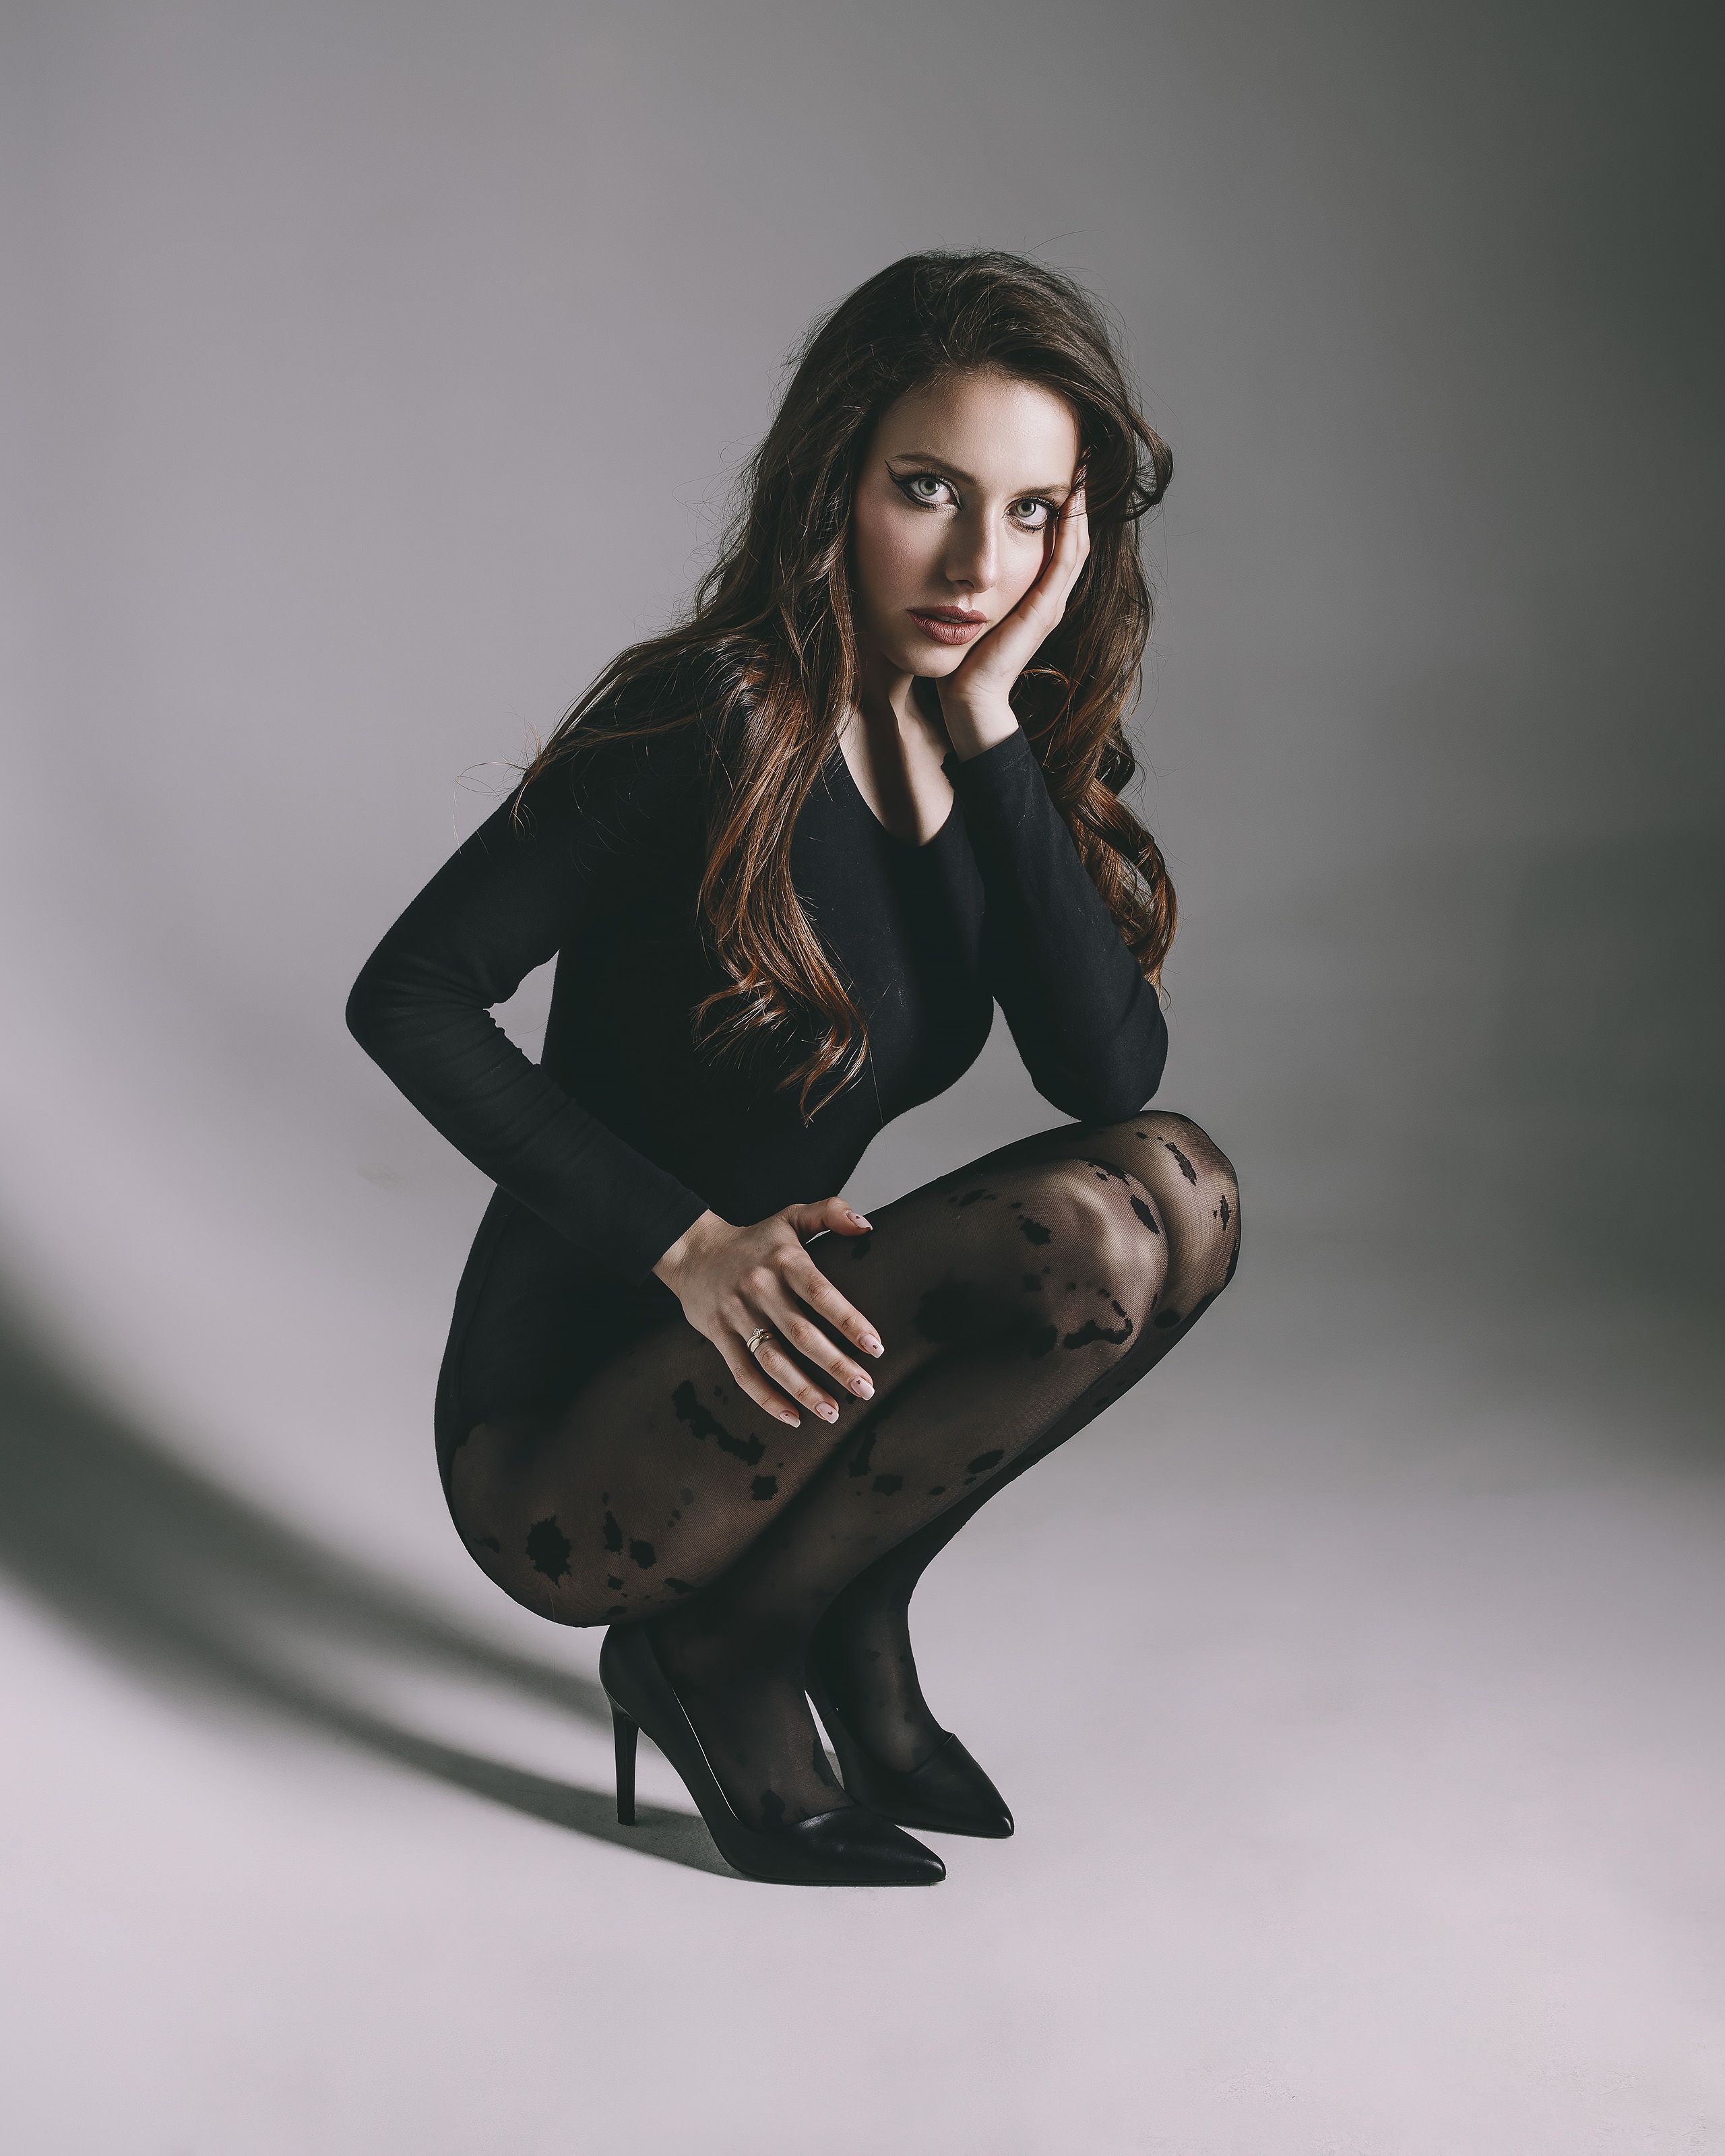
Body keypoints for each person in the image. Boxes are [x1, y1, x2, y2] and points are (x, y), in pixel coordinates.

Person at [346, 249, 1241, 1886]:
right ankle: (715, 1651)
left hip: (772, 1384)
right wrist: (684, 1246)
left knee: (1181, 1191)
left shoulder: (974, 738)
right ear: (835, 482)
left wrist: (988, 720)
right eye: (928, 490)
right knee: (1092, 1234)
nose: (975, 562)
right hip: (570, 1446)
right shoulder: (710, 715)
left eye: (1031, 514)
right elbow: (408, 994)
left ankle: (836, 1604)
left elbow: (1106, 1074)